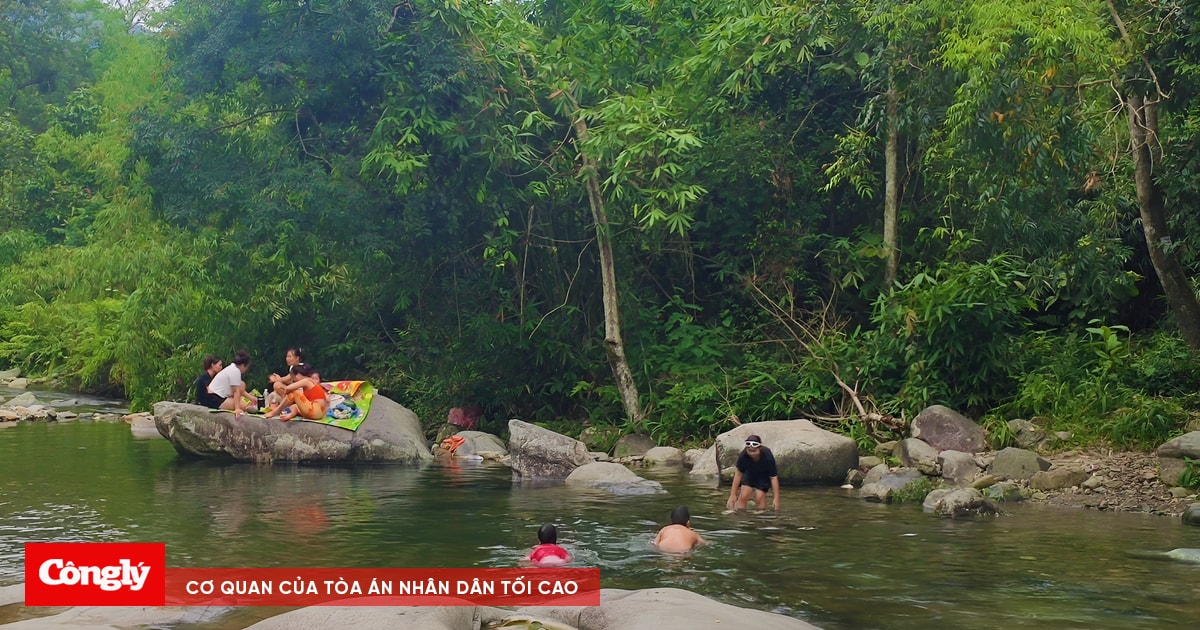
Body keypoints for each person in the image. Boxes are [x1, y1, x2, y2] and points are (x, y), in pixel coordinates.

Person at [726, 434, 780, 512]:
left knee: (759, 497)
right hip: (750, 473)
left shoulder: (767, 455)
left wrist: (776, 498)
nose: (752, 454)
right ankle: (740, 517)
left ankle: (760, 519)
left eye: (754, 451)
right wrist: (732, 495)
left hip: (763, 475)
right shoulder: (743, 455)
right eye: (750, 451)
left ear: (759, 448)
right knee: (744, 495)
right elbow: (738, 475)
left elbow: (773, 477)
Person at [262, 364, 327, 422]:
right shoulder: (310, 382)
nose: (294, 380)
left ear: (297, 375)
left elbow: (288, 388)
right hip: (318, 412)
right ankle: (290, 415)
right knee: (294, 406)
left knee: (295, 393)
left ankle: (276, 411)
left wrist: (285, 394)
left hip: (316, 411)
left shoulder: (306, 381)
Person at [208, 350, 258, 418]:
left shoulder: (233, 368)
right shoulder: (235, 371)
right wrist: (237, 408)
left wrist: (251, 398)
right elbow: (236, 391)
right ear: (243, 365)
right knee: (245, 406)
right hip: (214, 398)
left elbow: (240, 388)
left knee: (242, 384)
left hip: (218, 395)